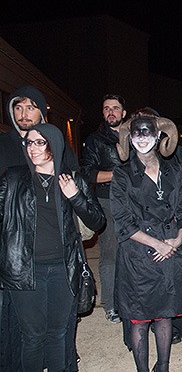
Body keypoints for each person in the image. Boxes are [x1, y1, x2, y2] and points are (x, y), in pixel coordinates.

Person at [0, 123, 105, 372]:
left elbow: (98, 221)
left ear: (54, 144)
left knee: (58, 336)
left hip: (63, 269)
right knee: (33, 338)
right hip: (25, 271)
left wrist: (76, 197)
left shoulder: (72, 178)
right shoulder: (14, 178)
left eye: (40, 142)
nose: (32, 148)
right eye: (29, 142)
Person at [111, 113, 182, 372]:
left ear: (159, 136)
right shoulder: (123, 174)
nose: (142, 138)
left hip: (171, 251)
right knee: (139, 319)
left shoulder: (174, 170)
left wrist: (177, 239)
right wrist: (158, 244)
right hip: (139, 256)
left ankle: (163, 367)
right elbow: (123, 221)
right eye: (136, 133)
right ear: (130, 137)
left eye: (147, 132)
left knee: (164, 312)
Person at [80, 94, 127, 323]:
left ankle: (132, 298)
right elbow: (87, 172)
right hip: (108, 199)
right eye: (107, 108)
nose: (111, 112)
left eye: (115, 108)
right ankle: (110, 304)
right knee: (111, 253)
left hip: (135, 200)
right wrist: (119, 175)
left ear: (123, 113)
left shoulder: (134, 135)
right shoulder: (96, 140)